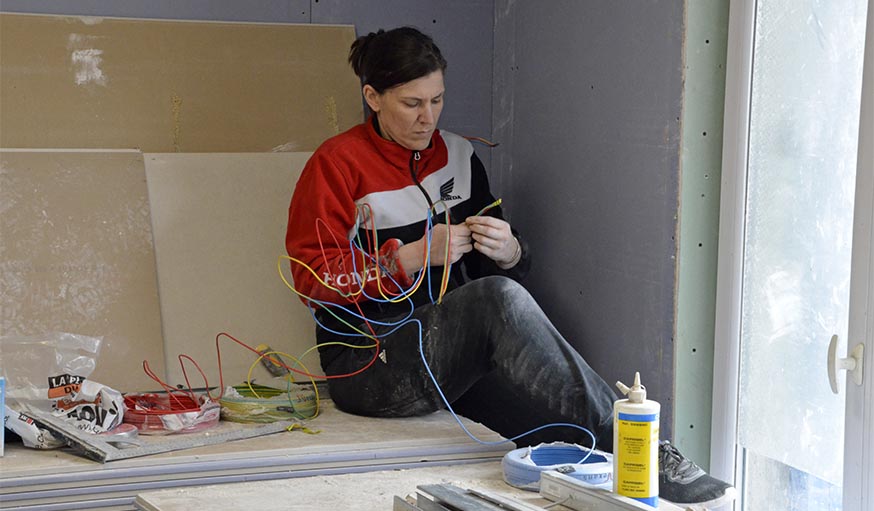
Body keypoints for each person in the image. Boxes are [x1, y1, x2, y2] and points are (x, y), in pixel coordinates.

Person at [285, 26, 733, 508]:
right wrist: (407, 257)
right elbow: (310, 278)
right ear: (372, 97)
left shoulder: (457, 154)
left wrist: (511, 252)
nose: (428, 117)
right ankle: (639, 443)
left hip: (450, 361)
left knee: (566, 433)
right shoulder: (335, 164)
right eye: (412, 104)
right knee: (497, 297)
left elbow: (490, 267)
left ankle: (643, 470)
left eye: (437, 100)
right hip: (369, 367)